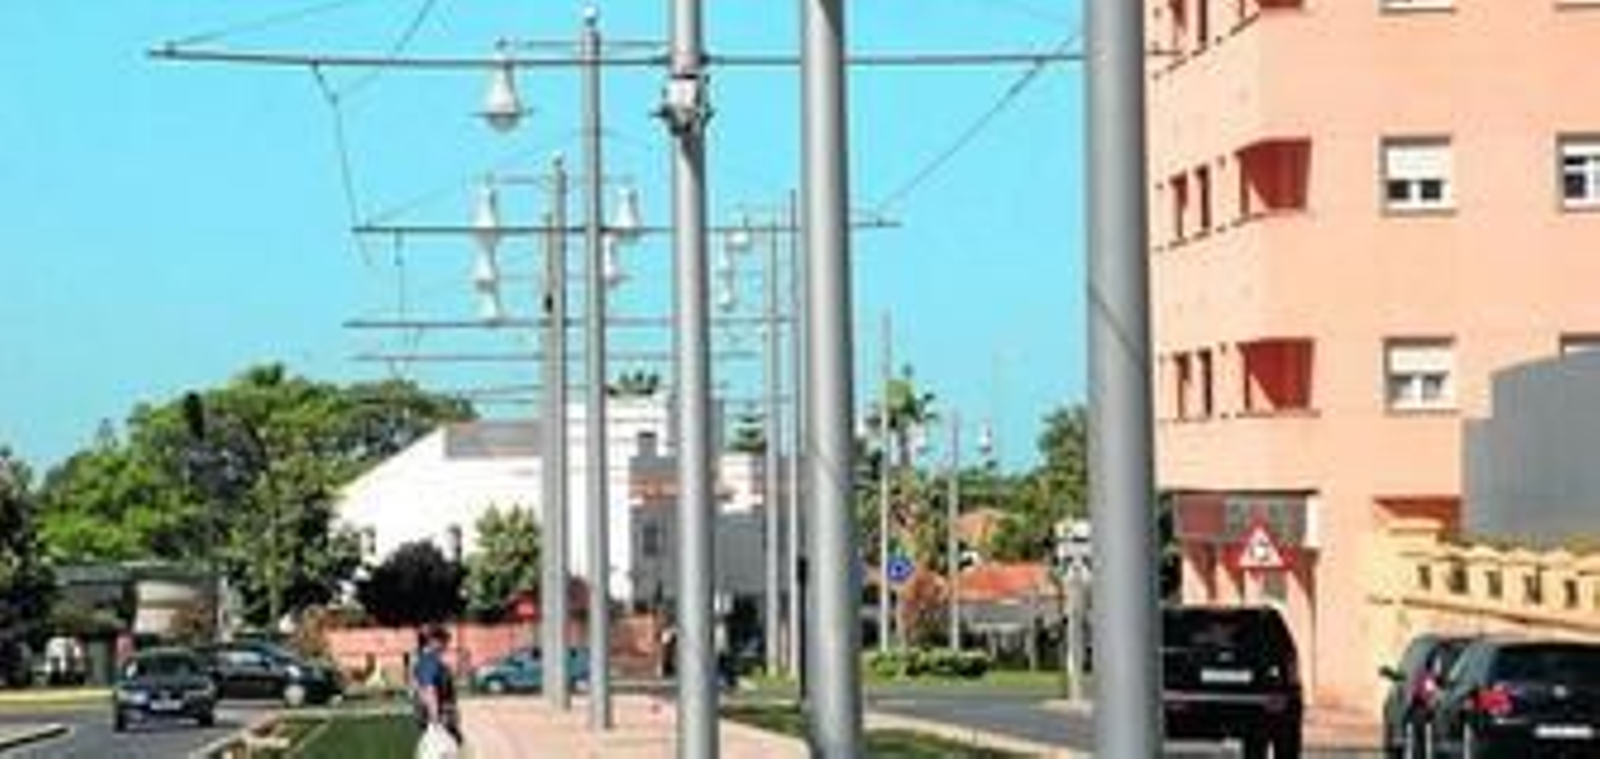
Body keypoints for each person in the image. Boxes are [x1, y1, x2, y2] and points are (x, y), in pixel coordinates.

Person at [411, 624, 460, 744]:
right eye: (444, 641)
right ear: (433, 641)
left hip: (441, 717)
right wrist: (435, 721)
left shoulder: (429, 660)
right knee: (444, 747)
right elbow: (428, 690)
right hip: (439, 718)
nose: (446, 645)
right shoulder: (429, 661)